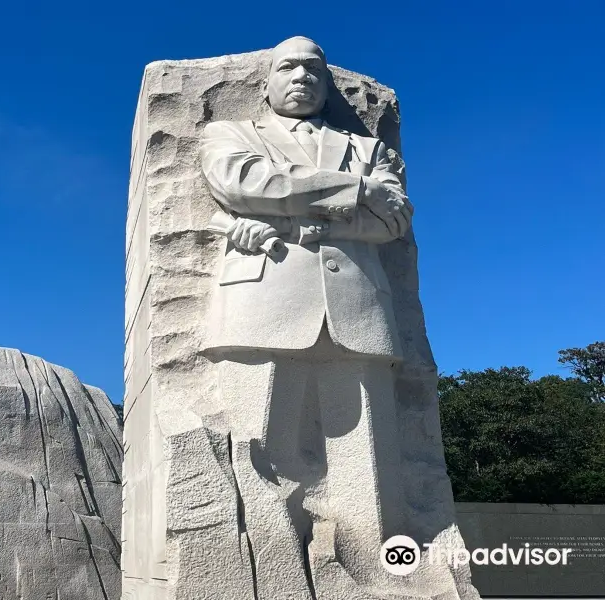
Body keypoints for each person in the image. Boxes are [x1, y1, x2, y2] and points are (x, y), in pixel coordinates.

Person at [198, 35, 413, 593]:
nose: (301, 77)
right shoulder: (231, 134)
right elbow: (243, 183)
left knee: (368, 460)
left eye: (313, 70)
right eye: (287, 67)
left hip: (358, 309)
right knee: (256, 449)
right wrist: (353, 192)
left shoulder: (369, 148)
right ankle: (261, 574)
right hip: (264, 303)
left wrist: (294, 220)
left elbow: (392, 221)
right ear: (265, 82)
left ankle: (382, 577)